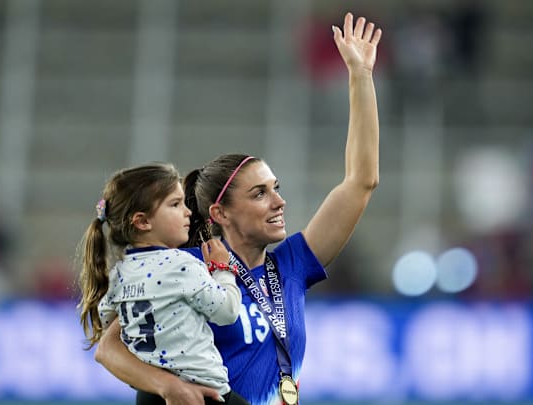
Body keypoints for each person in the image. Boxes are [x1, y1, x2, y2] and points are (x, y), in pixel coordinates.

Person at [94, 12, 382, 405]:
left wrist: (360, 77)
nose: (279, 201)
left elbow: (360, 182)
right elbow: (110, 349)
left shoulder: (292, 267)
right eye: (260, 193)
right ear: (220, 214)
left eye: (276, 189)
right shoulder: (184, 266)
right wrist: (168, 386)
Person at [77, 162, 250, 405]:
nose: (187, 211)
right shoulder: (181, 265)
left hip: (148, 394)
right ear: (143, 221)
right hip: (201, 390)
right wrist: (222, 269)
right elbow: (227, 312)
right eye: (175, 204)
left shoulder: (119, 273)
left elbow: (106, 318)